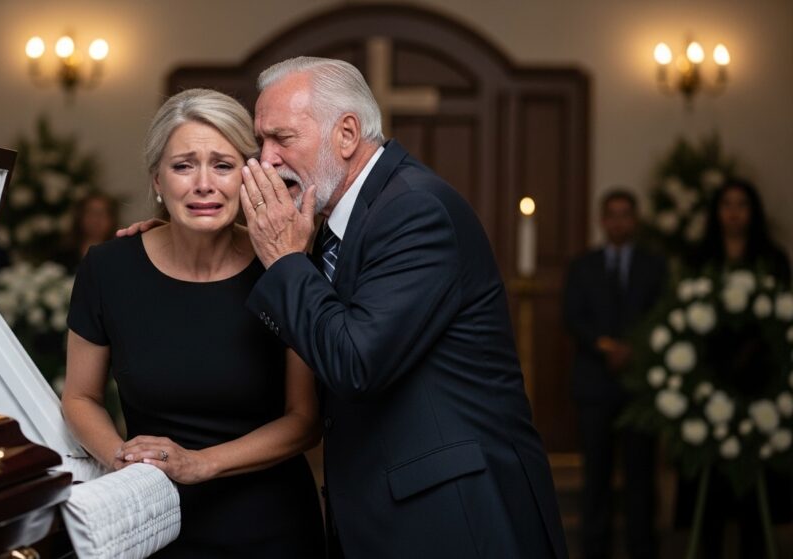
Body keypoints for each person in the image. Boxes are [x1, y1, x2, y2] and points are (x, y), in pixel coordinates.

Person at [239, 57, 568, 558]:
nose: (266, 159)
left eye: (281, 138)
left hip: (454, 517)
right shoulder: (336, 220)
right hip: (394, 512)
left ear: (346, 134)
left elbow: (355, 363)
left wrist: (285, 261)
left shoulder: (414, 209)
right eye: (261, 141)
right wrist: (178, 241)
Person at [62, 88, 325, 557]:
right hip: (151, 525)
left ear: (249, 176)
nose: (204, 184)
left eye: (223, 165)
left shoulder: (284, 268)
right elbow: (80, 397)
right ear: (157, 180)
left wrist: (200, 463)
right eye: (183, 166)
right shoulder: (108, 269)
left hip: (271, 530)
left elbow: (304, 420)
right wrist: (123, 462)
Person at [677, 177, 791, 559]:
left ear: (753, 211)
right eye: (727, 204)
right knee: (710, 494)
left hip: (759, 385)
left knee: (754, 493)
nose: (734, 213)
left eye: (742, 204)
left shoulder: (771, 258)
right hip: (710, 381)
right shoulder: (700, 259)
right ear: (717, 212)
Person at [563, 189, 667, 559]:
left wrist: (634, 350)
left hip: (639, 386)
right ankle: (595, 549)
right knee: (597, 475)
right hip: (595, 383)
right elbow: (573, 317)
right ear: (602, 220)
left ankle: (643, 549)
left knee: (641, 476)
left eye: (626, 214)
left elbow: (662, 313)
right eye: (612, 214)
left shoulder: (654, 266)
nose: (619, 221)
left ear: (635, 219)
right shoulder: (583, 265)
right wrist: (607, 348)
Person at [54, 190, 118, 272]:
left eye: (102, 213)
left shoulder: (119, 254)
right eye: (91, 213)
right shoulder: (63, 254)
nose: (96, 220)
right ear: (80, 217)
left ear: (112, 219)